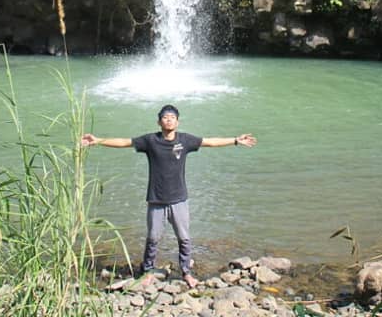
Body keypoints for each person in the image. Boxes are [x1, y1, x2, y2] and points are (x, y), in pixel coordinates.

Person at [80, 104, 257, 288]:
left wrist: (236, 140)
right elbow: (125, 142)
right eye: (165, 117)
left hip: (179, 199)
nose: (169, 120)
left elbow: (210, 142)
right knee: (153, 238)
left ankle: (186, 273)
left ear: (177, 122)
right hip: (156, 199)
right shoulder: (150, 140)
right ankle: (148, 271)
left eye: (172, 117)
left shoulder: (185, 140)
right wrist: (97, 140)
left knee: (184, 238)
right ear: (159, 122)